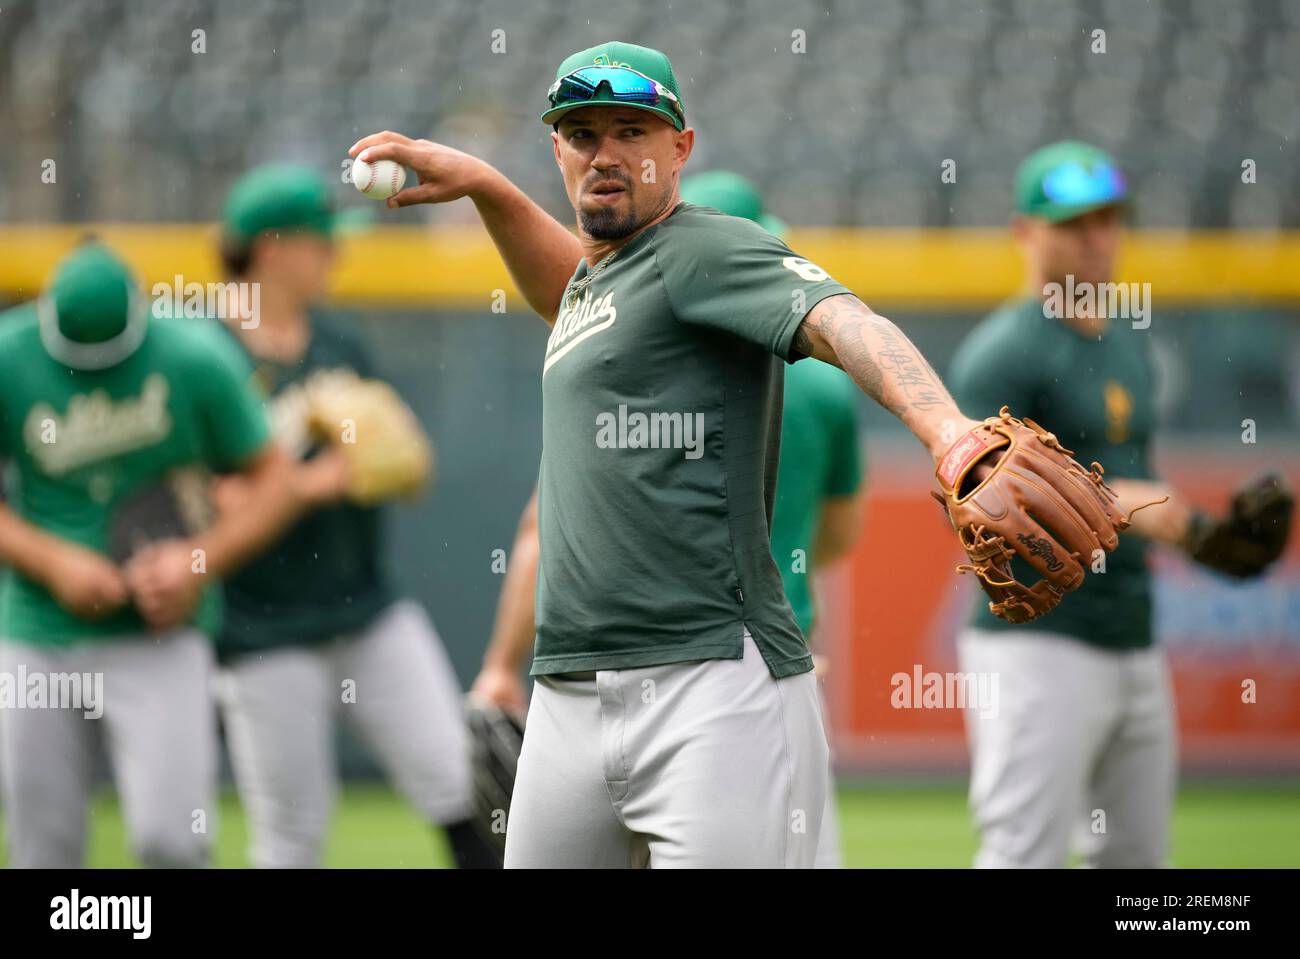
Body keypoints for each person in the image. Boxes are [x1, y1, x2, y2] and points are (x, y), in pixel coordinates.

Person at [351, 41, 1102, 868]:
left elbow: (841, 321)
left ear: (681, 148)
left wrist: (949, 432)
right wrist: (489, 186)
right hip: (570, 686)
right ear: (557, 149)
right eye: (582, 133)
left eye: (633, 131)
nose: (605, 153)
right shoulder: (605, 279)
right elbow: (566, 289)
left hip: (710, 682)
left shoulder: (704, 248)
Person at [469, 170, 867, 868]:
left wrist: (500, 665)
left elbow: (541, 528)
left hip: (648, 655)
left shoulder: (611, 355)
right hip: (762, 663)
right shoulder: (824, 389)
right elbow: (838, 538)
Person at [948, 140, 1288, 868]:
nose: (1096, 237)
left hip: (1132, 630)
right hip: (1038, 643)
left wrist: (1199, 533)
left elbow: (1132, 472)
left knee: (1137, 860)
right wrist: (1145, 512)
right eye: (1072, 222)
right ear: (1024, 233)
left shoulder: (1126, 340)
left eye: (1107, 218)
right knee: (1021, 852)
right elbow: (972, 499)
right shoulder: (1002, 353)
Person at [210, 165, 499, 868]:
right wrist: (312, 482)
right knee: (290, 839)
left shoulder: (339, 344)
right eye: (322, 241)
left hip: (368, 610)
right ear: (272, 248)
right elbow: (209, 505)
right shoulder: (208, 355)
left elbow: (405, 463)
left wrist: (391, 460)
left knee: (465, 786)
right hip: (262, 627)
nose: (337, 254)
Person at [0, 242, 297, 867]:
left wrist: (198, 561)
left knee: (173, 841)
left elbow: (276, 481)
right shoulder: (8, 354)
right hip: (38, 630)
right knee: (42, 850)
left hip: (160, 633)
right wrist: (54, 562)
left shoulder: (195, 356)